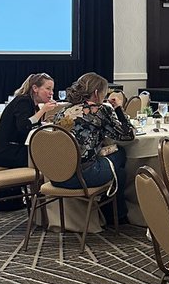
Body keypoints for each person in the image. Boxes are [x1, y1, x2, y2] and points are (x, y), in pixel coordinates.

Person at [53, 73, 135, 224]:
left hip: (57, 175)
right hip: (82, 177)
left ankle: (114, 213)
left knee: (120, 173)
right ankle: (116, 215)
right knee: (121, 154)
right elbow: (129, 135)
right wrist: (118, 108)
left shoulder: (61, 112)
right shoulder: (100, 110)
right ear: (97, 93)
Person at [0, 72, 57, 168]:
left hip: (12, 148)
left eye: (52, 89)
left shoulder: (32, 105)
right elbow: (23, 127)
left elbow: (30, 125)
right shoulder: (23, 101)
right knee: (47, 156)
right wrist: (43, 110)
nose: (51, 93)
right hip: (3, 152)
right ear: (35, 88)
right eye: (48, 89)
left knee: (48, 152)